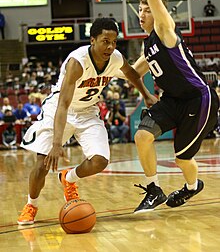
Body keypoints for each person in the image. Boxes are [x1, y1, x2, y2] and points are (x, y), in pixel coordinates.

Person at [17, 17, 156, 225]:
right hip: (60, 108)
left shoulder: (116, 58)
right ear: (93, 40)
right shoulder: (78, 62)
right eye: (105, 41)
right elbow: (63, 104)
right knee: (42, 164)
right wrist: (57, 144)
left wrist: (146, 95)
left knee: (100, 161)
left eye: (114, 41)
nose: (110, 46)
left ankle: (69, 178)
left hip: (88, 111)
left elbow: (132, 74)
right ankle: (31, 204)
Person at [121, 0, 219, 213]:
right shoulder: (147, 45)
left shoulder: (165, 31)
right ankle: (154, 190)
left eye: (146, 9)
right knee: (142, 136)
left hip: (197, 99)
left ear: (158, 11)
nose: (141, 14)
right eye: (139, 10)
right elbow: (131, 72)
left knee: (182, 159)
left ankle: (192, 187)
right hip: (172, 101)